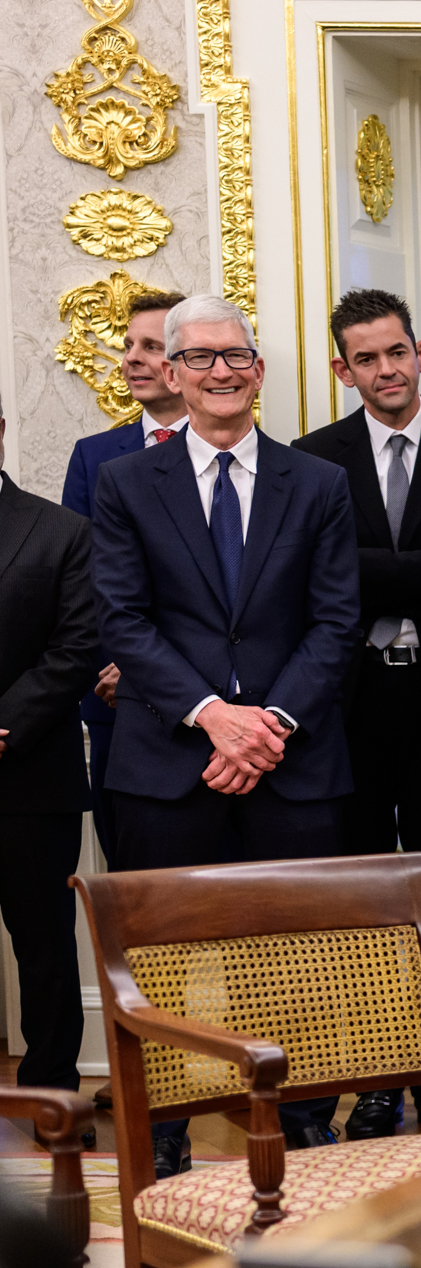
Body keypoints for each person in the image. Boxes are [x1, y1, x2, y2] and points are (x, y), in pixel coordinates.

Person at [91, 296, 364, 1168]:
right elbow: (123, 621)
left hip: (294, 762)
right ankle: (162, 1132)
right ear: (170, 374)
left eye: (235, 357)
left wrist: (269, 724)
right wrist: (214, 718)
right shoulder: (125, 484)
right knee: (161, 963)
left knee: (296, 958)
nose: (219, 372)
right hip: (168, 761)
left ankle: (303, 1122)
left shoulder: (316, 483)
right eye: (199, 358)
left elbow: (337, 622)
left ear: (259, 370)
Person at [293, 288, 421, 1139]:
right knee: (355, 907)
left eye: (396, 353)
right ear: (344, 369)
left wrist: (375, 566)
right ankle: (374, 1080)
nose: (385, 370)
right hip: (345, 709)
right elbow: (321, 579)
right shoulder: (310, 461)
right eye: (365, 359)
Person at [0, 396, 101, 1125]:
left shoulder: (60, 530)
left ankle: (50, 1093)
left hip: (31, 775)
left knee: (42, 944)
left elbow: (75, 651)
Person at [61, 287, 186, 869]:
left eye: (151, 347)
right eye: (129, 344)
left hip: (218, 703)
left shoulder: (240, 450)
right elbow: (84, 581)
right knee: (136, 885)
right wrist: (124, 669)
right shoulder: (95, 457)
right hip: (117, 703)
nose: (131, 358)